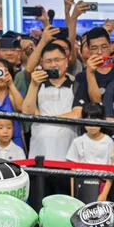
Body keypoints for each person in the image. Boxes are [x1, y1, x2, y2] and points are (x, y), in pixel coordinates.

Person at [23, 43, 79, 194]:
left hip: (66, 159)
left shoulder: (77, 85)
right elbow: (27, 112)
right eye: (48, 61)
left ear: (67, 61)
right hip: (38, 159)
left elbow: (77, 114)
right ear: (42, 63)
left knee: (63, 207)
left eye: (57, 59)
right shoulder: (37, 84)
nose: (53, 64)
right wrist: (34, 84)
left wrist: (44, 118)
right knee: (38, 207)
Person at [65, 102, 114, 203]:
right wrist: (73, 195)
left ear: (102, 120)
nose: (92, 125)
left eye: (96, 120)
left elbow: (112, 172)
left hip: (101, 184)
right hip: (81, 183)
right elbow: (73, 171)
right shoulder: (77, 141)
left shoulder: (109, 142)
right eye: (88, 120)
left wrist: (104, 193)